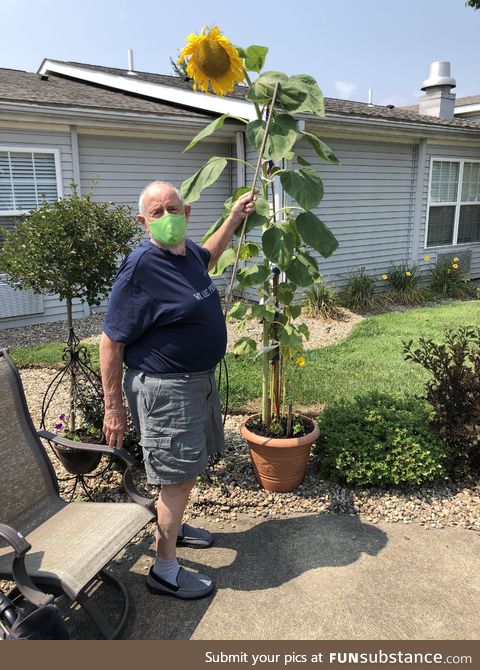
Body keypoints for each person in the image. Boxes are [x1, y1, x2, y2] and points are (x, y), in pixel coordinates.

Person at [100, 180, 255, 600]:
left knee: (182, 468)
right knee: (177, 477)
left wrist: (234, 219)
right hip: (167, 389)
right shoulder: (141, 267)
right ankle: (164, 569)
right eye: (157, 212)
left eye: (173, 208)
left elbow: (211, 254)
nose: (167, 217)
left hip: (195, 382)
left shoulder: (186, 255)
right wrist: (113, 407)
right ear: (143, 221)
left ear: (186, 213)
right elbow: (111, 339)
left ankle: (176, 527)